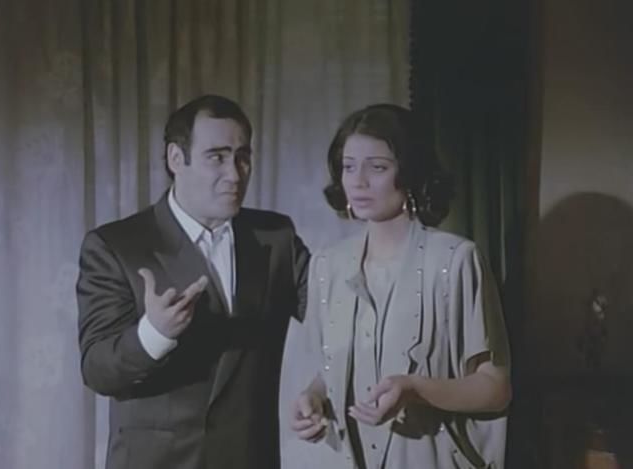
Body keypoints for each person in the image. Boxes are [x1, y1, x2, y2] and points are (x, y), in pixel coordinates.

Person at [77, 94, 309, 469]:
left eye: (242, 157)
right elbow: (97, 370)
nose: (235, 174)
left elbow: (338, 314)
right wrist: (154, 333)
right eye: (216, 157)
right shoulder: (116, 246)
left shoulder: (276, 237)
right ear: (175, 158)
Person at [289, 104, 511, 468]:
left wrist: (416, 389)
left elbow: (495, 389)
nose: (358, 181)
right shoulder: (327, 266)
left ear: (410, 173)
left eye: (377, 167)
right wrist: (313, 398)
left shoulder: (454, 261)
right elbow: (328, 368)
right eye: (348, 166)